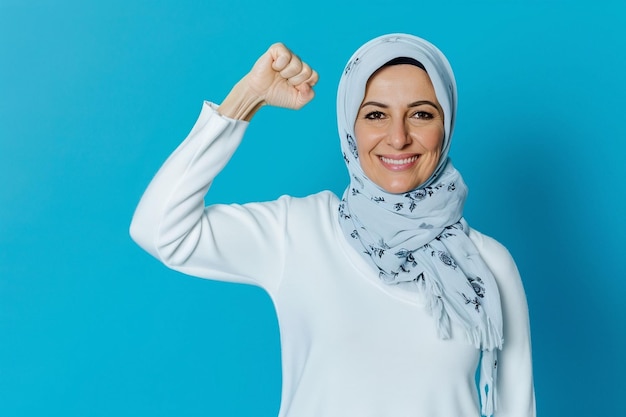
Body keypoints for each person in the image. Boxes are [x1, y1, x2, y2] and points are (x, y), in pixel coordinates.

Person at [130, 33, 535, 417]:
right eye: (376, 114)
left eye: (421, 114)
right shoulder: (298, 232)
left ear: (445, 128)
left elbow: (517, 408)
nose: (398, 138)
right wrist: (247, 98)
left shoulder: (487, 263)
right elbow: (159, 229)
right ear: (349, 127)